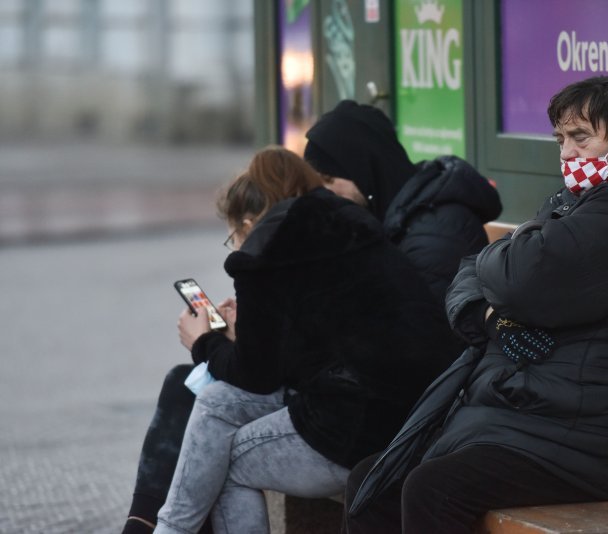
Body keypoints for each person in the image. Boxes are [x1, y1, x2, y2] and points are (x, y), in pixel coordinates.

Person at [342, 75, 608, 533]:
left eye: (581, 137)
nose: (568, 152)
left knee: (433, 488)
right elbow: (473, 267)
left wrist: (502, 264)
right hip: (534, 419)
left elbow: (519, 276)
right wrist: (489, 314)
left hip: (591, 440)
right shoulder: (581, 203)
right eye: (560, 139)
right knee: (372, 482)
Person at [121, 147, 457, 534]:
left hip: (360, 429)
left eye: (233, 236)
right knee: (215, 402)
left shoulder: (267, 251)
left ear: (248, 224)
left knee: (224, 461)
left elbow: (255, 376)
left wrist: (203, 343)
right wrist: (242, 334)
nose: (236, 245)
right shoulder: (348, 227)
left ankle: (165, 528)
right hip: (420, 415)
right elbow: (324, 346)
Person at [303, 99, 502, 305]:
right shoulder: (386, 214)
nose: (323, 192)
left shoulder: (436, 234)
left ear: (363, 172)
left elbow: (427, 327)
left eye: (328, 180)